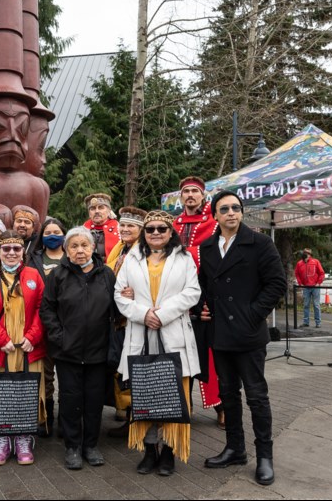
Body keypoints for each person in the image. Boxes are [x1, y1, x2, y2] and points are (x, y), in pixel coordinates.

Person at [198, 191, 286, 487]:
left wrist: (254, 314)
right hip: (220, 333)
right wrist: (204, 309)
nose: (232, 212)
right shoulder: (208, 247)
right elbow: (203, 285)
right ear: (215, 215)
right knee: (228, 394)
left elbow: (277, 283)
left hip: (248, 333)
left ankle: (264, 456)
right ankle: (235, 448)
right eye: (225, 209)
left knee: (257, 396)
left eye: (236, 207)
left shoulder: (259, 243)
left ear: (242, 212)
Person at [114, 210, 201, 477]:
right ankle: (149, 450)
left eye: (161, 229)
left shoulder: (184, 258)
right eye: (150, 229)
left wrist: (161, 314)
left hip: (173, 333)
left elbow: (192, 292)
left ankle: (170, 452)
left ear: (170, 232)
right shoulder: (131, 259)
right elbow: (120, 293)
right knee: (145, 395)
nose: (155, 233)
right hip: (141, 334)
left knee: (173, 395)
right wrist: (144, 314)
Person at [40, 227, 116, 470]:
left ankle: (90, 445)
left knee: (94, 401)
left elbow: (117, 307)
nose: (80, 250)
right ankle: (72, 447)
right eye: (74, 246)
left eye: (85, 245)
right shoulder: (57, 276)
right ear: (66, 249)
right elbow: (47, 309)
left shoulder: (106, 274)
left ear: (93, 248)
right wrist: (59, 337)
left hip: (98, 350)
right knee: (71, 399)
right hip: (67, 351)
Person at [0, 230, 46, 467]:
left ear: (23, 250)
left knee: (26, 389)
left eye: (16, 249)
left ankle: (24, 437)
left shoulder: (34, 274)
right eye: (6, 249)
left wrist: (33, 336)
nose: (11, 253)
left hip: (28, 345)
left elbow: (44, 308)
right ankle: (1, 438)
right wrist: (0, 338)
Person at [170, 176, 224, 432]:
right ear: (181, 197)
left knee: (210, 351)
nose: (190, 195)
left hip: (206, 291)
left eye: (195, 191)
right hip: (177, 294)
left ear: (203, 196)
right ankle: (183, 405)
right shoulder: (172, 225)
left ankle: (221, 405)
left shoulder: (214, 224)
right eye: (186, 192)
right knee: (180, 349)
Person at [105, 206, 146, 436]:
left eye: (131, 226)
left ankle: (138, 421)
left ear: (140, 229)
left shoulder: (144, 250)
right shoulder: (120, 248)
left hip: (135, 319)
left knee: (136, 369)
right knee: (123, 370)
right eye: (122, 225)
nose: (125, 229)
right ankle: (129, 417)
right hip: (119, 319)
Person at [27, 216, 67, 437]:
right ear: (42, 237)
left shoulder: (71, 257)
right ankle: (46, 417)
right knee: (45, 374)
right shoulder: (32, 258)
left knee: (67, 373)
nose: (53, 237)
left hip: (69, 325)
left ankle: (66, 419)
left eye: (57, 233)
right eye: (48, 233)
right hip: (41, 325)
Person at [294, 249, 326, 328]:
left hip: (315, 287)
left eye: (308, 253)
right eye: (305, 253)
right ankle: (306, 322)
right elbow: (297, 274)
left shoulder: (315, 262)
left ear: (310, 254)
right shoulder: (299, 263)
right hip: (306, 287)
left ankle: (318, 322)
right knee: (306, 305)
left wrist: (319, 283)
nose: (306, 254)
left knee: (316, 305)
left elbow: (322, 273)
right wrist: (300, 283)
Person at [84, 193, 120, 258]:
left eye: (101, 208)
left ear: (109, 211)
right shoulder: (82, 229)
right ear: (89, 213)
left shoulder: (119, 229)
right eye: (92, 208)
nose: (97, 211)